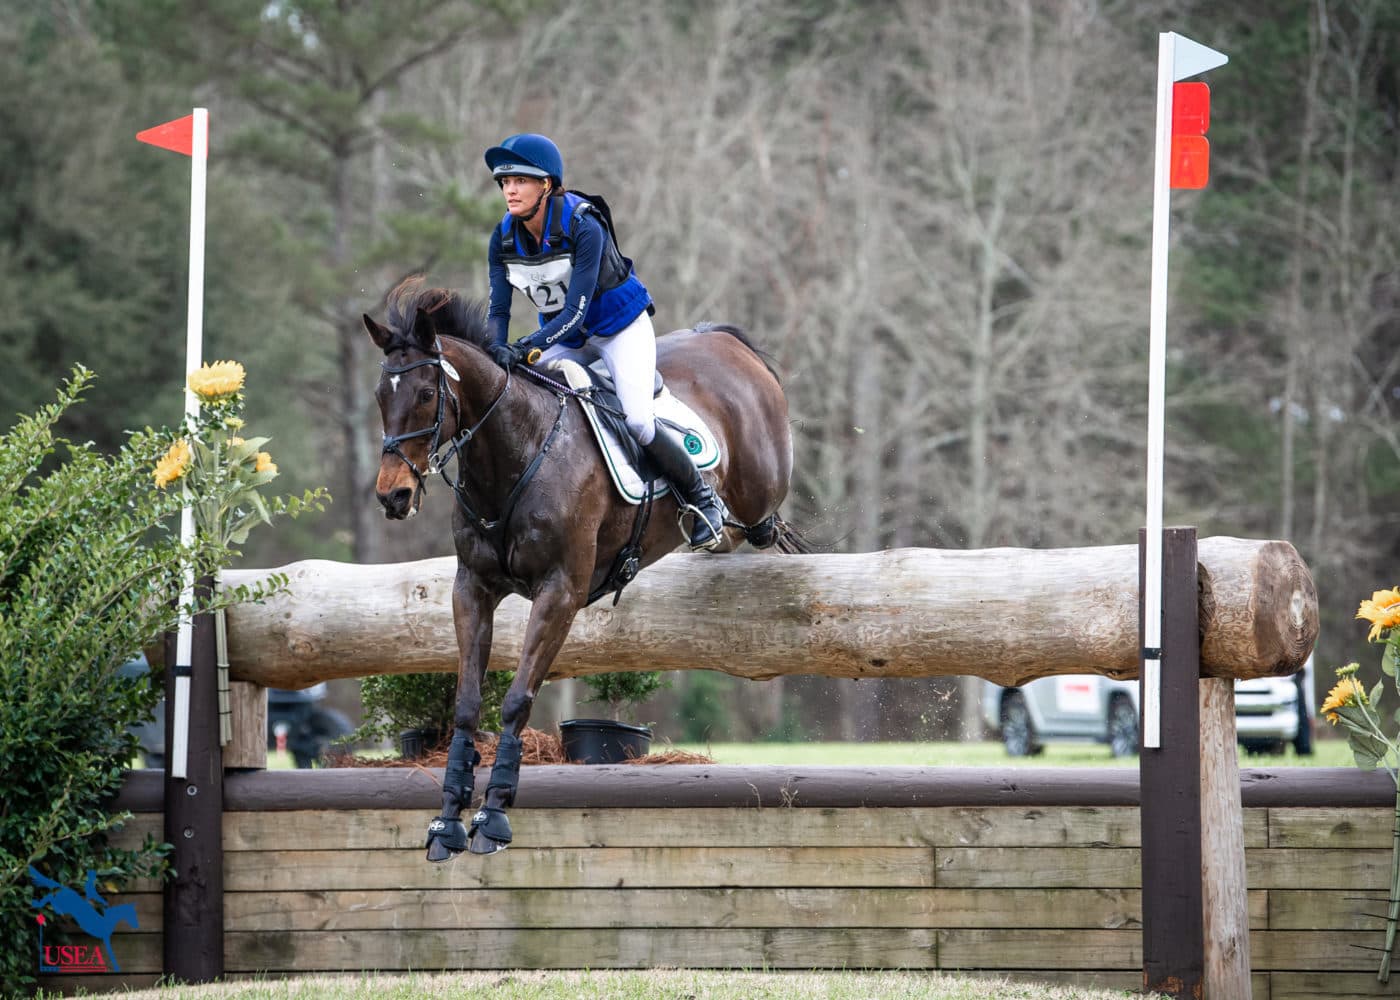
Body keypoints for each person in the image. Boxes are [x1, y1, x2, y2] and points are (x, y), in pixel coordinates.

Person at [481, 132, 725, 551]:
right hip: (567, 336)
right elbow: (498, 311)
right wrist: (494, 353)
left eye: (520, 180)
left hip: (618, 329)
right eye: (505, 182)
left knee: (637, 420)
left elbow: (576, 310)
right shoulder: (503, 238)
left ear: (547, 185)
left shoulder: (583, 224)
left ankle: (703, 500)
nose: (510, 190)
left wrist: (523, 348)